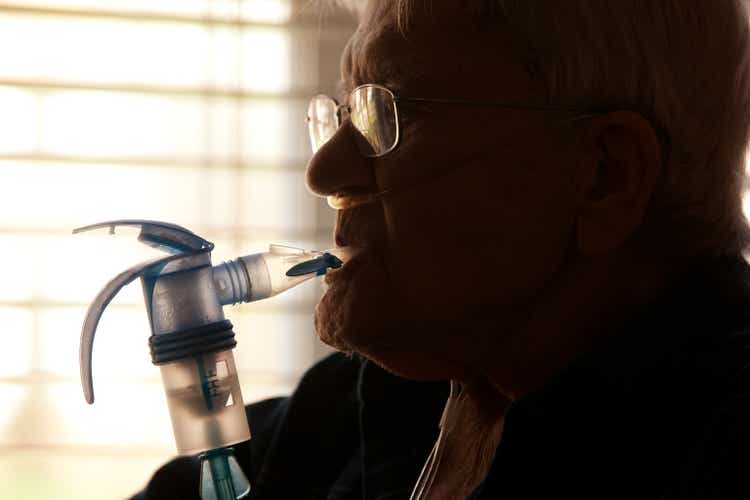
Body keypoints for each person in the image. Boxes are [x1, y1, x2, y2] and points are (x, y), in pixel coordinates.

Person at [132, 1, 750, 498]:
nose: (323, 172)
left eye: (388, 110)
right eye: (346, 110)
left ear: (605, 175)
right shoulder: (359, 409)